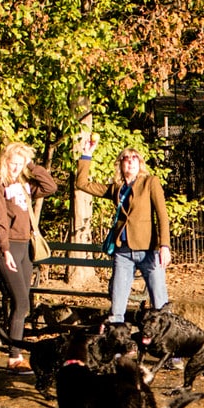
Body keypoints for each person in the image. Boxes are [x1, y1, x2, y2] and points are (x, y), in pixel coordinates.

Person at [75, 137, 170, 325]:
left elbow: (162, 216)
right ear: (121, 164)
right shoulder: (116, 189)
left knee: (160, 301)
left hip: (148, 251)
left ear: (140, 163)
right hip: (123, 252)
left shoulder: (150, 182)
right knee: (117, 305)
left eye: (135, 158)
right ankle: (116, 346)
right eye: (127, 158)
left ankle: (171, 346)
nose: (131, 161)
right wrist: (87, 155)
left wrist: (165, 245)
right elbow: (82, 184)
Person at [0, 141, 57, 371]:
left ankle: (13, 348)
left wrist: (31, 165)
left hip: (26, 246)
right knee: (21, 302)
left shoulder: (24, 183)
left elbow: (50, 187)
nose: (15, 168)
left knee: (24, 302)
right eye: (12, 163)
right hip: (9, 248)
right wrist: (5, 250)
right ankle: (14, 357)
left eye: (19, 163)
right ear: (4, 161)